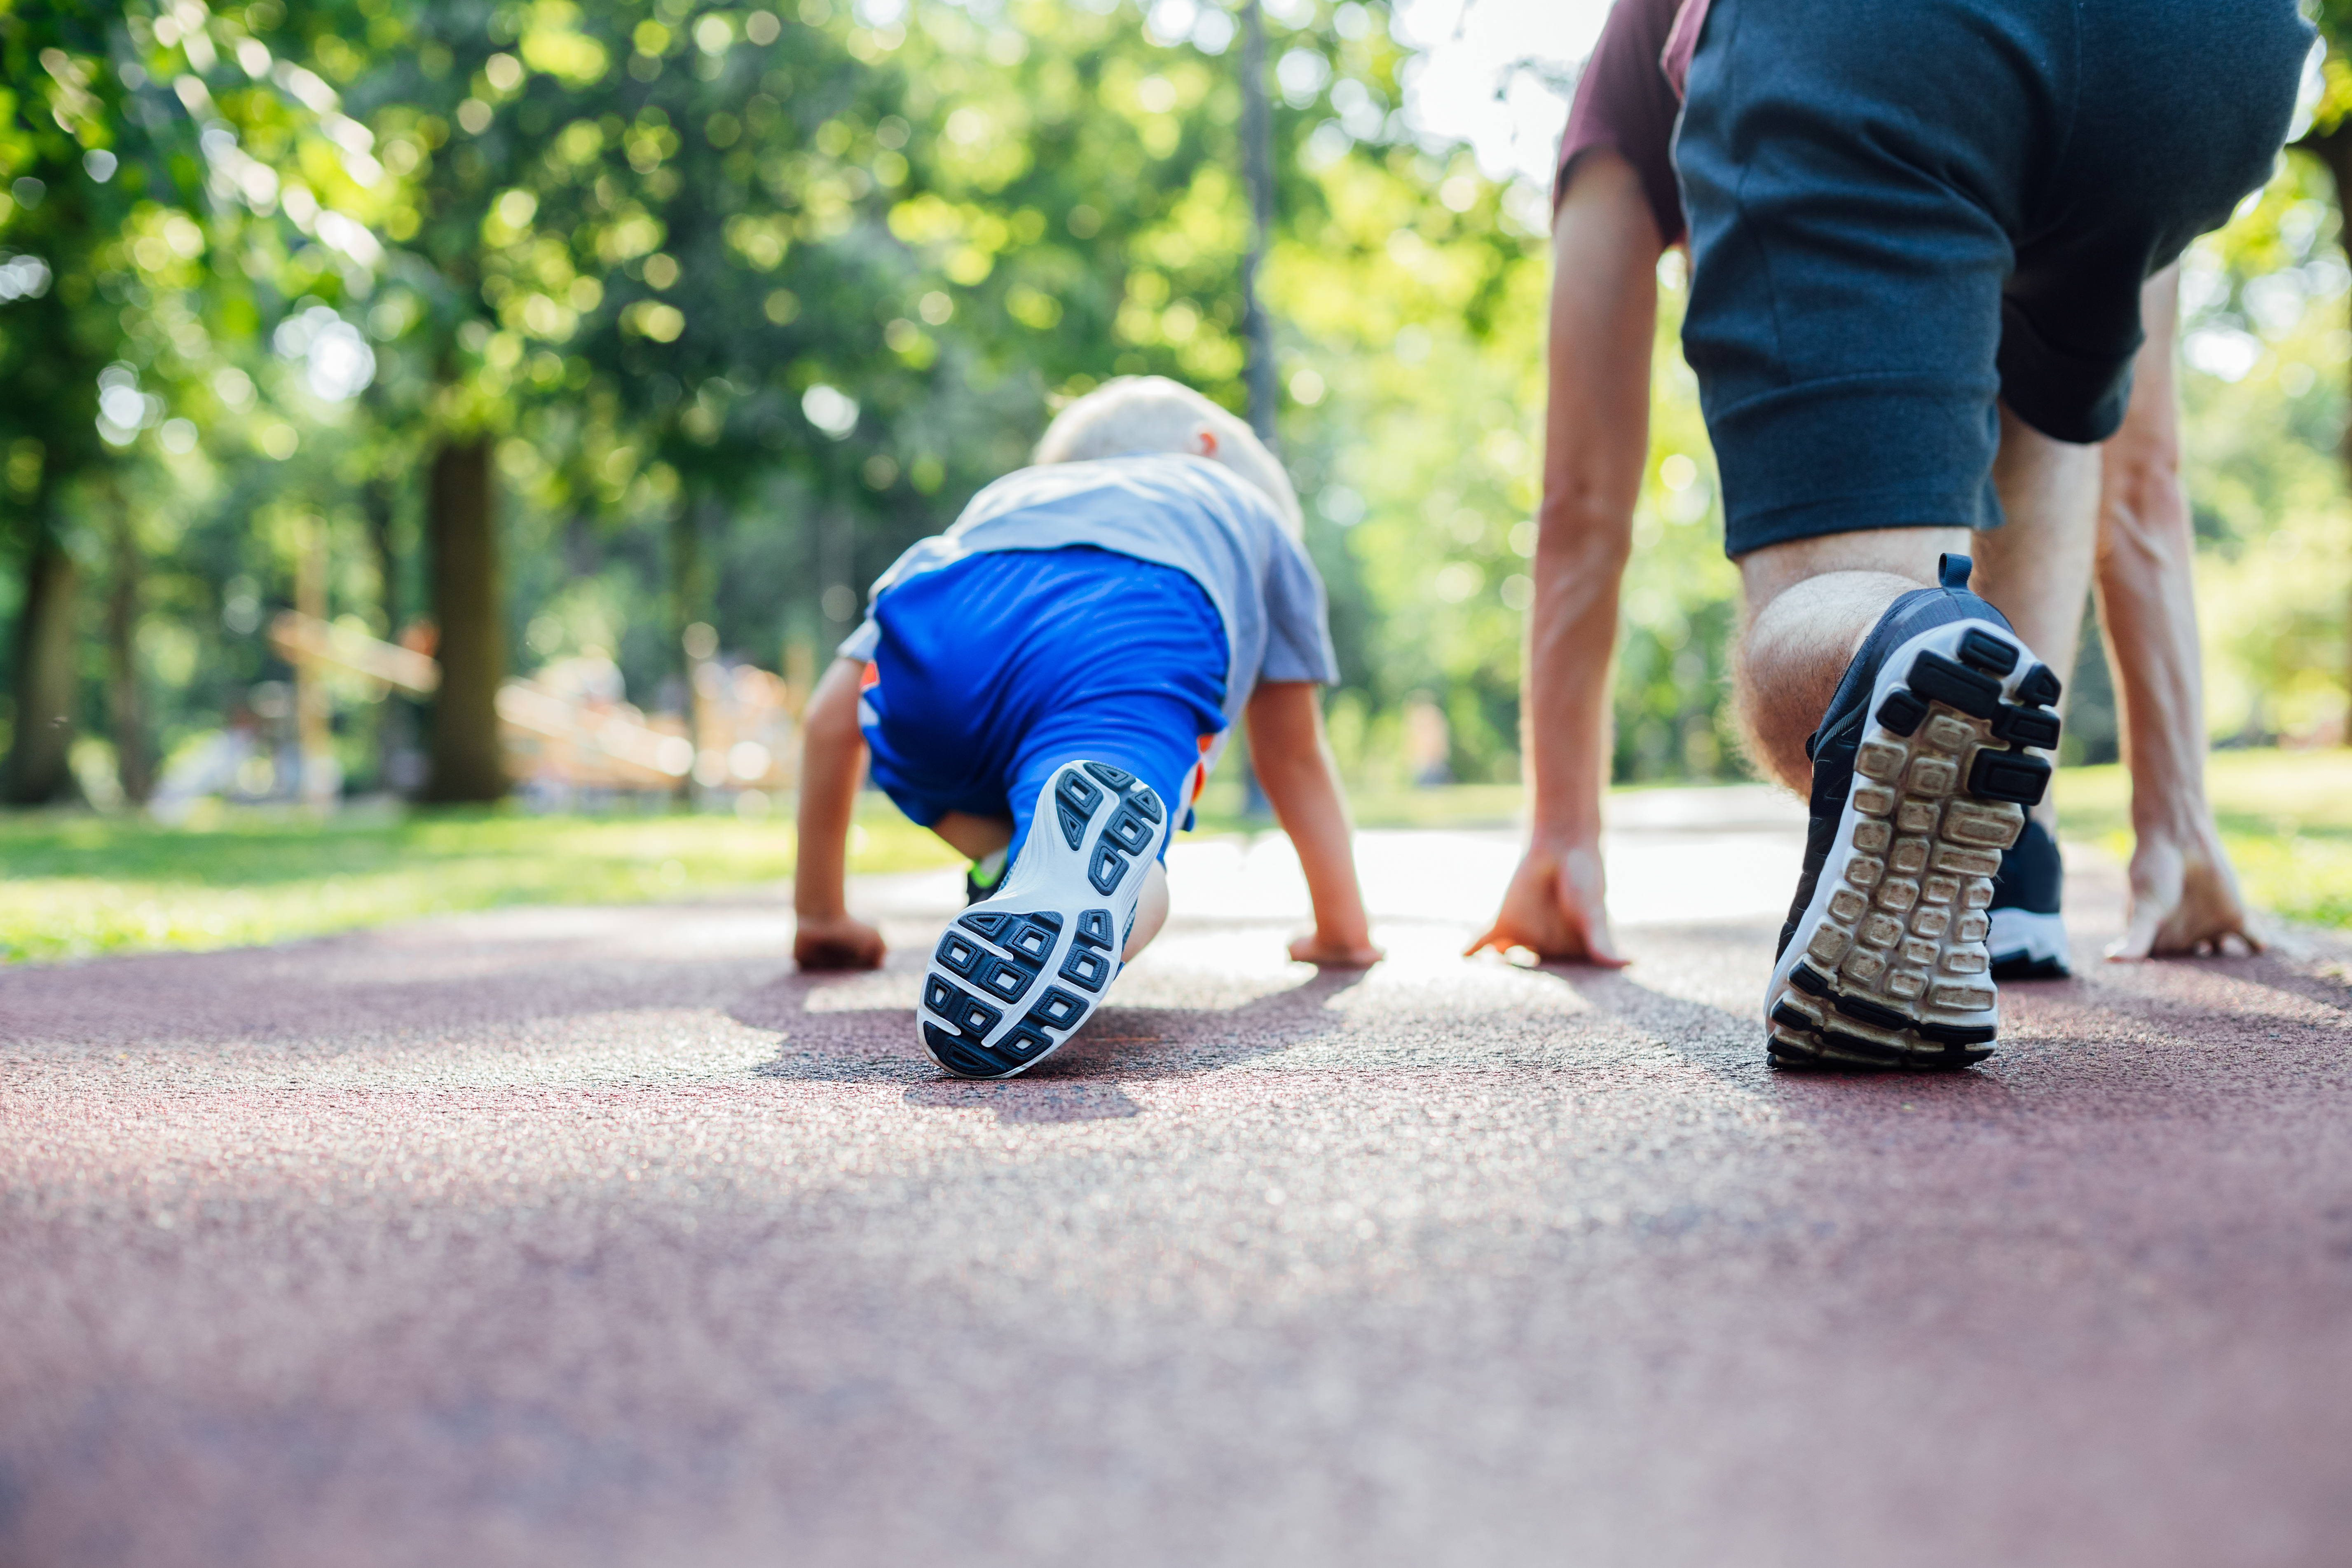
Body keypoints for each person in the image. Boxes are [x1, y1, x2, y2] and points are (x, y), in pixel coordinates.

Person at [1474, 0, 2295, 1065]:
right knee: (2050, 355)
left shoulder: (1620, 65)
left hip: (1875, 37)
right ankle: (2014, 859)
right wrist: (2176, 826)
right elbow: (2146, 478)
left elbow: (1580, 498)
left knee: (1858, 622)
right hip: (2209, 56)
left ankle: (1898, 644)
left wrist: (1560, 838)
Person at [792, 375, 1383, 1079]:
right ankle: (1094, 897)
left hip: (945, 620)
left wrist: (821, 915)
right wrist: (1343, 932)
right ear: (1206, 448)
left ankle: (1008, 867)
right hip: (1125, 629)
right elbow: (1293, 756)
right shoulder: (1240, 507)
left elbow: (830, 719)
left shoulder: (1006, 499)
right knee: (1121, 841)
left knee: (920, 747)